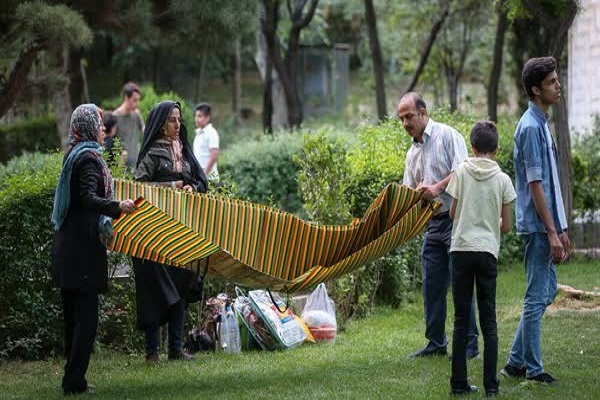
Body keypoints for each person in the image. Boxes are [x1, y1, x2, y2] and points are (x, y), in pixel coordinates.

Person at [51, 104, 136, 395]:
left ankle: (73, 379)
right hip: (82, 251)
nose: (103, 129)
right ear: (87, 127)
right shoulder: (87, 159)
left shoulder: (75, 154)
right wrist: (117, 207)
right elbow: (88, 198)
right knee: (85, 321)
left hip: (69, 248)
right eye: (98, 124)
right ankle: (74, 381)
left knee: (74, 319)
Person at [501, 56, 570, 384]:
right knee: (535, 294)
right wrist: (551, 231)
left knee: (548, 289)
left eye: (557, 80)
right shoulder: (529, 128)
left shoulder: (541, 123)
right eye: (552, 82)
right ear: (535, 89)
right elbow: (535, 184)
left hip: (550, 224)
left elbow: (552, 181)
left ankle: (515, 362)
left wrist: (562, 227)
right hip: (539, 226)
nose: (558, 86)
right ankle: (532, 367)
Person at [397, 92, 479, 359]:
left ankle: (469, 345)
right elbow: (408, 191)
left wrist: (436, 188)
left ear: (423, 112)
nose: (406, 123)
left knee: (461, 284)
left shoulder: (448, 135)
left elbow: (463, 172)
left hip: (457, 221)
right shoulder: (412, 153)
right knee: (432, 284)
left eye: (409, 116)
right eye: (401, 119)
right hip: (432, 225)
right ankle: (436, 343)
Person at [133, 100, 208, 362]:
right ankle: (152, 351)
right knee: (154, 289)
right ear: (161, 125)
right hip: (154, 232)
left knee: (182, 286)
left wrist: (192, 189)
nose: (178, 125)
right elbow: (139, 187)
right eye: (172, 120)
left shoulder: (185, 151)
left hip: (182, 230)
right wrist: (173, 187)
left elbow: (200, 181)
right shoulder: (153, 153)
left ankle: (176, 348)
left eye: (179, 119)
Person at [446, 121, 516, 396]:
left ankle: (458, 384)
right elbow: (507, 226)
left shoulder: (461, 172)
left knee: (462, 320)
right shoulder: (503, 180)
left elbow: (452, 213)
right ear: (497, 150)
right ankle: (491, 386)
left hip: (461, 250)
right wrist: (491, 219)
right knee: (489, 321)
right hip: (487, 252)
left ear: (472, 147)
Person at [113, 82, 144, 169]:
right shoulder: (115, 116)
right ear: (126, 98)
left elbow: (145, 130)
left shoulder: (136, 114)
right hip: (121, 166)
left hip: (136, 164)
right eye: (134, 100)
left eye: (138, 100)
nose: (137, 103)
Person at [193, 103, 220, 182]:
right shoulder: (198, 133)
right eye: (196, 116)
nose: (196, 119)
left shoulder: (211, 133)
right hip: (199, 178)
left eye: (200, 116)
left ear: (207, 118)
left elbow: (214, 156)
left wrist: (204, 175)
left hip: (209, 179)